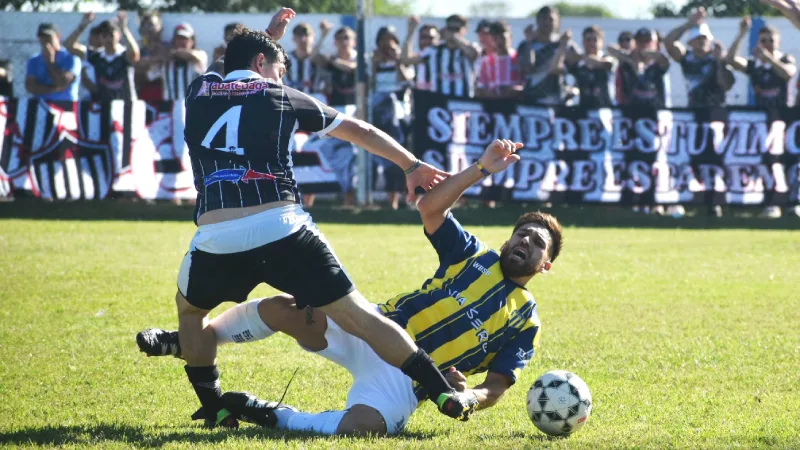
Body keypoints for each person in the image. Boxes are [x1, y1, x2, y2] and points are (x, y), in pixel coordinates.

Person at [135, 18, 476, 429]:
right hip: (282, 227)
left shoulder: (199, 89)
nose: (282, 77)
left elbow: (230, 65)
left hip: (216, 236)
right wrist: (411, 165)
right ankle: (440, 389)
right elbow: (359, 130)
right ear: (262, 64)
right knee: (361, 318)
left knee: (190, 312)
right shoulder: (281, 95)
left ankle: (214, 406)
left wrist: (265, 38)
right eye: (280, 69)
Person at [138, 139, 561, 436]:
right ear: (508, 239)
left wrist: (470, 397)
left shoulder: (527, 321)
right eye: (521, 234)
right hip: (374, 327)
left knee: (364, 427)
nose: (525, 241)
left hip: (411, 382)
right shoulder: (474, 254)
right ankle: (190, 340)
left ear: (545, 266)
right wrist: (480, 168)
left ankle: (271, 415)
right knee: (284, 310)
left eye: (537, 243)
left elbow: (498, 385)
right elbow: (431, 208)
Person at [727, 17, 797, 219]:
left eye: (771, 40)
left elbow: (788, 74)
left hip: (784, 122)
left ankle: (793, 203)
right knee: (768, 163)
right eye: (763, 40)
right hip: (761, 123)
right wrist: (741, 34)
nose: (767, 44)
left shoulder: (785, 59)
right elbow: (731, 60)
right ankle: (771, 203)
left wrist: (771, 60)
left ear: (778, 42)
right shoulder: (754, 65)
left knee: (789, 162)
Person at [372, 26, 413, 210]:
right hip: (380, 114)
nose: (387, 45)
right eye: (384, 40)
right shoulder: (373, 59)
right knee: (385, 155)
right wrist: (375, 63)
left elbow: (406, 79)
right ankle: (391, 200)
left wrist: (397, 61)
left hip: (401, 114)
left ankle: (407, 196)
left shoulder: (403, 60)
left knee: (404, 156)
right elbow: (370, 84)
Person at [663, 7, 733, 108]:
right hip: (693, 108)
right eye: (697, 38)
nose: (701, 41)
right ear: (690, 42)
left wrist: (720, 62)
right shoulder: (687, 58)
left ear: (710, 41)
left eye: (704, 38)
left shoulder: (716, 57)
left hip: (716, 109)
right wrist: (689, 24)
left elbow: (726, 85)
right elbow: (668, 42)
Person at [401, 15, 479, 98]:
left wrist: (454, 37)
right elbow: (406, 60)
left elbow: (474, 54)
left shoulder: (469, 49)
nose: (452, 32)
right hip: (439, 100)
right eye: (450, 29)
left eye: (456, 29)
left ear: (465, 30)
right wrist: (411, 32)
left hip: (463, 101)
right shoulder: (434, 50)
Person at [519, 6, 572, 105]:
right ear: (537, 21)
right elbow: (528, 68)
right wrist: (529, 42)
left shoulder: (565, 43)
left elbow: (575, 67)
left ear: (557, 22)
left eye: (551, 20)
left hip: (558, 101)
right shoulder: (525, 44)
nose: (547, 23)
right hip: (532, 101)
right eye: (544, 19)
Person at [608, 27, 671, 109]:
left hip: (658, 110)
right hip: (631, 111)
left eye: (647, 41)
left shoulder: (658, 65)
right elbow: (610, 48)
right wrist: (631, 60)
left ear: (655, 43)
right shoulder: (628, 63)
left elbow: (664, 60)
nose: (643, 44)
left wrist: (646, 53)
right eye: (640, 41)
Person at [553, 26, 615, 108]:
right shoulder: (578, 63)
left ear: (602, 42)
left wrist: (578, 56)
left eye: (595, 40)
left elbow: (603, 64)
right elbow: (555, 69)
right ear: (583, 42)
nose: (591, 43)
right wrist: (563, 45)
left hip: (605, 109)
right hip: (583, 109)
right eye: (588, 40)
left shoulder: (607, 58)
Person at [85, 12, 140, 102]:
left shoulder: (124, 55)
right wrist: (83, 25)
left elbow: (135, 54)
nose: (108, 39)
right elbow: (70, 46)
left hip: (126, 104)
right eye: (104, 36)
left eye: (111, 35)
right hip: (104, 105)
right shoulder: (96, 56)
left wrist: (124, 29)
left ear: (119, 35)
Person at [25, 23, 82, 101]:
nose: (45, 40)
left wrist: (50, 62)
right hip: (41, 103)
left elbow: (63, 83)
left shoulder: (71, 58)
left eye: (48, 37)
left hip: (64, 103)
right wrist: (53, 89)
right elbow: (30, 87)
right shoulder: (34, 60)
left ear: (58, 36)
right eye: (42, 37)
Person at [159, 23, 208, 101]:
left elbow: (195, 56)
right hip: (171, 104)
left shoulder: (200, 55)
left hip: (195, 103)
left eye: (185, 39)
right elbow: (148, 72)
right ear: (173, 41)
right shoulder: (165, 60)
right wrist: (159, 58)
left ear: (192, 41)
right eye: (178, 39)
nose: (181, 42)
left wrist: (173, 53)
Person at [476, 21, 522, 99]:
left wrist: (514, 90)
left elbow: (527, 85)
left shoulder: (519, 58)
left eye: (502, 38)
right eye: (495, 39)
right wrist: (490, 93)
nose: (499, 42)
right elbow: (481, 87)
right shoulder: (486, 62)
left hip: (514, 104)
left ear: (510, 37)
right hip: (493, 105)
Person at [615, 31, 635, 105]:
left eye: (628, 39)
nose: (624, 43)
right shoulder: (616, 59)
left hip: (634, 102)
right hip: (618, 103)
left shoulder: (638, 59)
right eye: (621, 40)